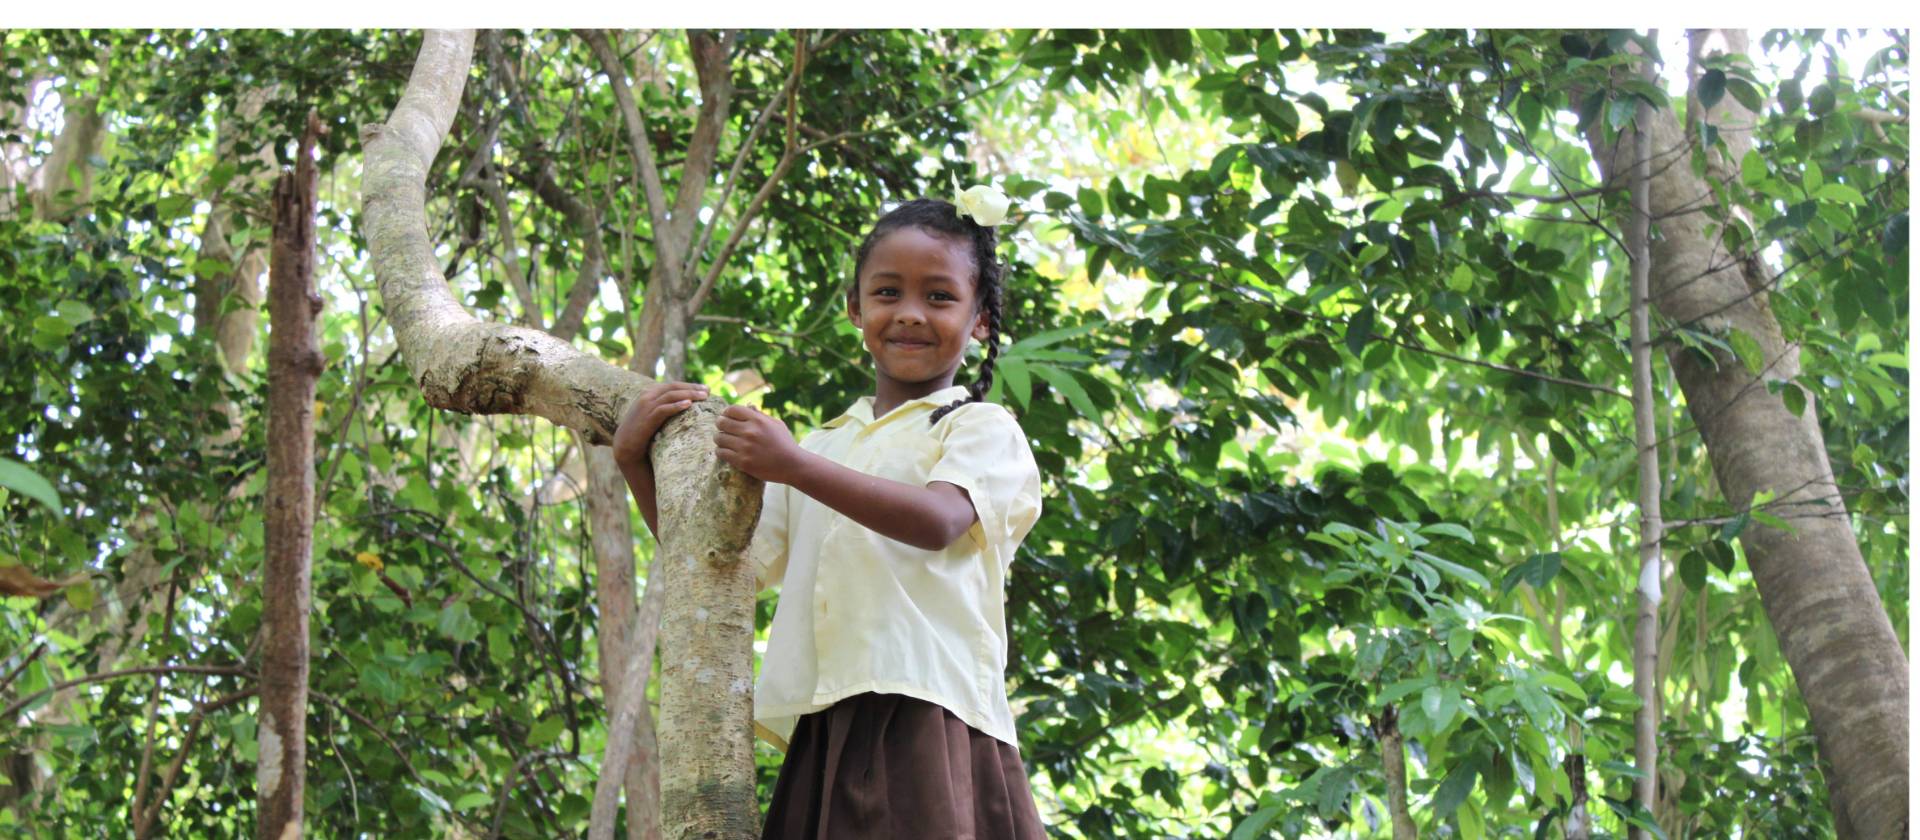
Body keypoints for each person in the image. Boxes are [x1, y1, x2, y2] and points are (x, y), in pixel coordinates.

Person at [611, 194, 1048, 839]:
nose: (909, 315)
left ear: (980, 319)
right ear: (855, 309)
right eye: (888, 292)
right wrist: (631, 461)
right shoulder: (822, 444)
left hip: (928, 714)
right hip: (824, 724)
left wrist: (790, 466)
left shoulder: (981, 428)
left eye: (940, 297)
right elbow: (725, 560)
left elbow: (938, 520)